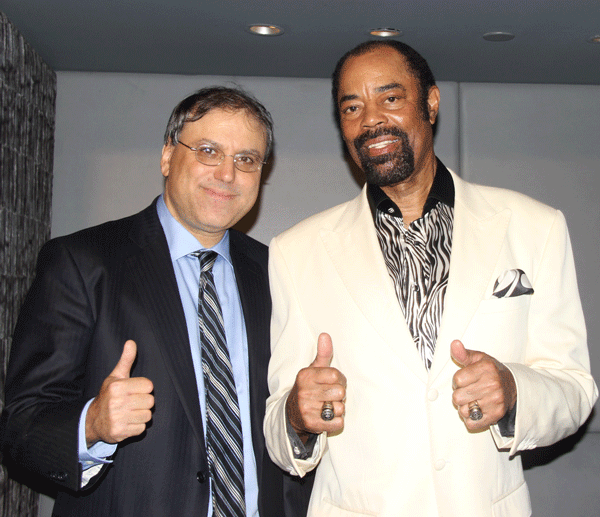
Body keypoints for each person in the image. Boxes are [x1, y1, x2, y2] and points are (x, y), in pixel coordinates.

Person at [263, 40, 598, 516]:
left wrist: (514, 389)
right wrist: (297, 415)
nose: (371, 120)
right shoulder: (297, 251)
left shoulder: (534, 226)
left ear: (432, 104)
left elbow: (574, 388)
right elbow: (280, 425)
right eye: (352, 107)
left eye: (391, 98)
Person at [1, 86, 303, 517]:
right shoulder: (83, 263)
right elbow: (22, 426)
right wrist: (93, 424)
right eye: (208, 151)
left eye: (246, 160)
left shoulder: (276, 273)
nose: (227, 174)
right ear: (167, 156)